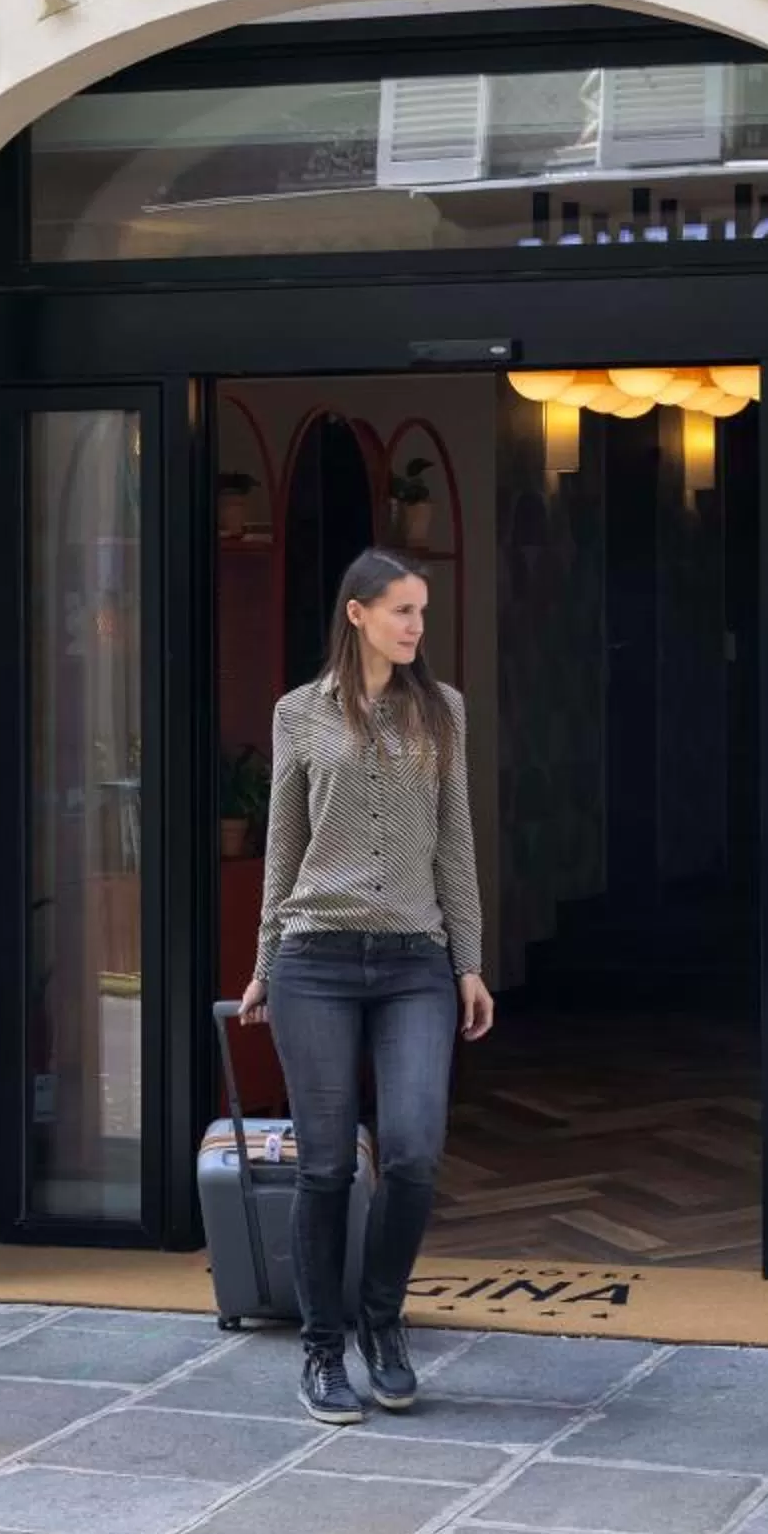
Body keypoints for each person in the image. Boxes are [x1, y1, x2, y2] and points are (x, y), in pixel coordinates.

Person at [237, 547, 496, 1424]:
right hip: (315, 958)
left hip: (415, 961)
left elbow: (454, 840)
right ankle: (320, 1352)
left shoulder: (444, 712)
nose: (417, 627)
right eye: (401, 611)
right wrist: (267, 962)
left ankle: (381, 1324)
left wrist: (468, 959)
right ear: (357, 614)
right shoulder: (298, 716)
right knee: (322, 1166)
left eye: (422, 611)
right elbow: (283, 843)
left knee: (415, 1150)